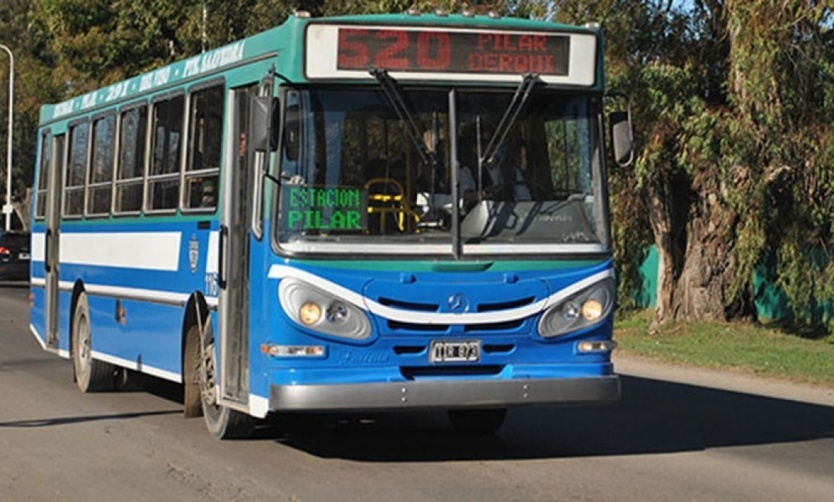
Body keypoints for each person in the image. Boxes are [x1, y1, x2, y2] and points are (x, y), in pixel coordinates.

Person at [459, 143, 531, 205]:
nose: (487, 147)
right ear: (474, 148)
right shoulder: (468, 171)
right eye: (482, 144)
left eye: (492, 143)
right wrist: (481, 195)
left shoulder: (510, 169)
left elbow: (524, 198)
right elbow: (466, 195)